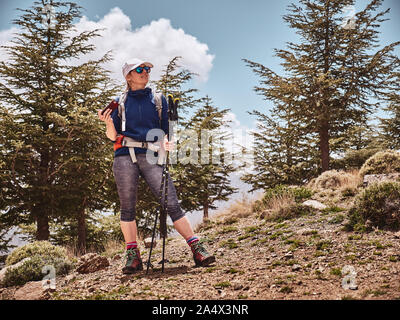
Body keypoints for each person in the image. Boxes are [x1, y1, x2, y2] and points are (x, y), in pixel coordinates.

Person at [98, 58, 216, 274]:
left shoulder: (159, 100)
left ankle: (197, 248)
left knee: (172, 203)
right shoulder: (119, 102)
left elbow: (165, 133)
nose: (145, 72)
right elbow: (112, 136)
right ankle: (133, 257)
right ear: (128, 76)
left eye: (147, 69)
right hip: (124, 155)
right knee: (127, 208)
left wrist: (167, 143)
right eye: (140, 69)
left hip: (152, 156)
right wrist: (108, 122)